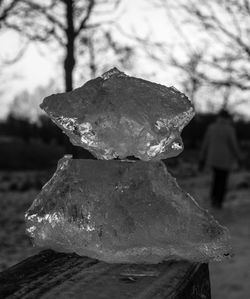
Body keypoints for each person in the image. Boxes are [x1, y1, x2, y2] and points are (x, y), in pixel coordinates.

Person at [199, 110, 241, 209]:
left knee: (216, 178)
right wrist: (239, 157)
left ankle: (214, 199)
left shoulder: (211, 127)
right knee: (222, 180)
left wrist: (202, 158)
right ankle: (219, 201)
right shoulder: (229, 129)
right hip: (225, 159)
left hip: (213, 158)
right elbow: (233, 145)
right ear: (227, 118)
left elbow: (205, 143)